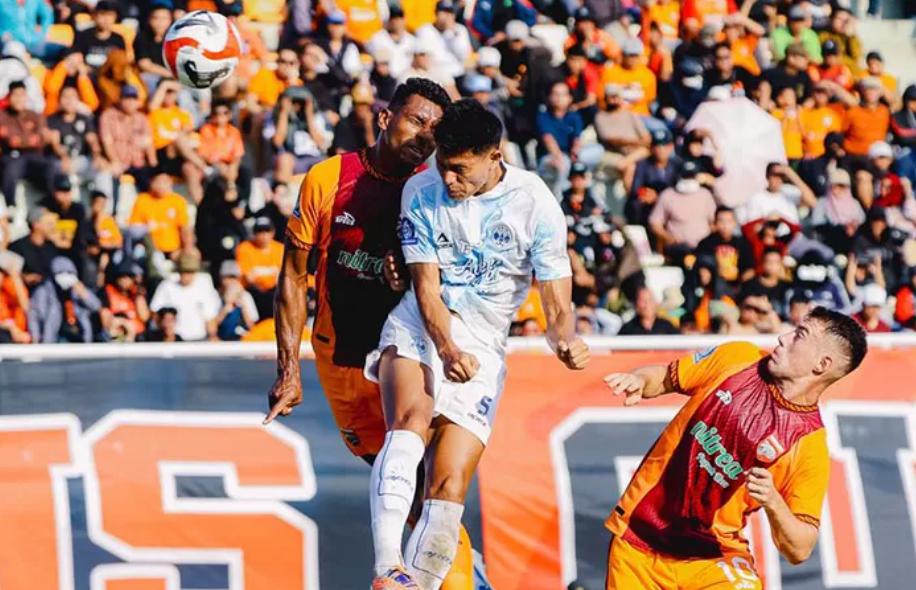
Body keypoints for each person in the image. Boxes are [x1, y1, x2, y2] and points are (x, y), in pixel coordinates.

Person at [361, 99, 588, 589]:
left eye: (461, 170)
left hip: (485, 343)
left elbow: (556, 301)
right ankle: (387, 570)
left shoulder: (536, 203)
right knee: (410, 421)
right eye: (444, 166)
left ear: (495, 156)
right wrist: (445, 347)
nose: (449, 181)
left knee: (448, 484)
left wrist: (565, 341)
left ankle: (416, 586)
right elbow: (424, 286)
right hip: (425, 326)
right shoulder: (421, 190)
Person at [264, 80, 482, 590]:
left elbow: (468, 272)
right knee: (404, 494)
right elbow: (293, 277)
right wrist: (288, 371)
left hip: (412, 355)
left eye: (435, 129)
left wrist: (418, 274)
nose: (424, 136)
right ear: (385, 119)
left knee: (434, 488)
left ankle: (458, 580)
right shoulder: (327, 179)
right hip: (342, 361)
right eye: (416, 121)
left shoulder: (438, 188)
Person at [603, 309, 869, 589]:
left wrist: (773, 502)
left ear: (821, 364)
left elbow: (800, 549)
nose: (782, 338)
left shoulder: (809, 445)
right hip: (638, 540)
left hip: (712, 558)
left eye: (799, 336)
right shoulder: (738, 358)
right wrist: (641, 381)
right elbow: (664, 377)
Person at [147, 80, 208, 205]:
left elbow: (189, 129)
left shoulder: (181, 113)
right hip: (163, 154)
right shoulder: (155, 112)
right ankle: (206, 168)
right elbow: (152, 107)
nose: (169, 95)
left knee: (190, 170)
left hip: (181, 156)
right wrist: (165, 85)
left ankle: (202, 207)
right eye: (166, 92)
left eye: (172, 92)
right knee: (179, 139)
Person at [46, 85, 110, 197]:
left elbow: (92, 140)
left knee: (103, 171)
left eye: (72, 97)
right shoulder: (53, 120)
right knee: (61, 169)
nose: (69, 100)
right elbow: (55, 144)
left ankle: (105, 211)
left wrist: (97, 156)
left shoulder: (85, 119)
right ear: (60, 99)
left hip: (81, 160)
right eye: (65, 97)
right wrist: (64, 157)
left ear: (78, 99)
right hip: (60, 161)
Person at [648, 161, 717, 259]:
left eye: (691, 177)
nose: (689, 180)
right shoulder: (668, 195)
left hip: (702, 249)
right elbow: (655, 223)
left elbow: (713, 222)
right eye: (686, 176)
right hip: (677, 249)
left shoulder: (705, 195)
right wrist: (667, 236)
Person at [0, 80, 52, 205]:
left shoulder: (35, 115)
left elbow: (40, 139)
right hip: (11, 156)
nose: (19, 99)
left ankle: (50, 205)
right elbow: (11, 140)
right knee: (10, 170)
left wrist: (21, 140)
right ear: (9, 97)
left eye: (22, 95)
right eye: (15, 95)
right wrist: (27, 140)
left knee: (52, 167)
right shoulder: (3, 115)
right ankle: (10, 207)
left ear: (27, 97)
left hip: (35, 156)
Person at [99, 84, 156, 195]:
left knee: (150, 183)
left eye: (133, 99)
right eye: (126, 98)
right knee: (112, 178)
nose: (130, 102)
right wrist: (114, 161)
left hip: (138, 163)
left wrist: (153, 164)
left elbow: (149, 143)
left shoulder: (142, 119)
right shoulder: (108, 116)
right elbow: (107, 142)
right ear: (120, 100)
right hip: (118, 161)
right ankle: (112, 210)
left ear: (138, 102)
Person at [29, 255, 101, 343]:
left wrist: (84, 294)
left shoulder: (77, 290)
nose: (66, 276)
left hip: (79, 336)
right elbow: (34, 316)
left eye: (69, 273)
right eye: (62, 273)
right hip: (54, 337)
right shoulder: (44, 291)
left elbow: (96, 306)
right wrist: (35, 338)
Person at [149, 254, 220, 341]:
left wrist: (212, 336)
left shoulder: (204, 287)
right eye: (184, 271)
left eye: (190, 272)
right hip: (174, 340)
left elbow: (210, 317)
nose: (186, 276)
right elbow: (155, 313)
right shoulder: (167, 286)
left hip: (199, 339)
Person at [128, 171, 192, 259]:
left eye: (165, 182)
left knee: (190, 259)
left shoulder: (177, 201)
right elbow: (134, 228)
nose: (161, 185)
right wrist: (147, 228)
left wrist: (187, 248)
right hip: (149, 248)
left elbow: (185, 227)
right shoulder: (143, 199)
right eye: (158, 181)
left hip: (174, 249)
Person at [696, 206, 755, 292]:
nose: (725, 226)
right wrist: (704, 271)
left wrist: (741, 283)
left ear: (735, 223)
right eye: (721, 221)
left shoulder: (743, 244)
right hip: (713, 288)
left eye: (729, 221)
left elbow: (750, 269)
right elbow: (700, 263)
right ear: (715, 223)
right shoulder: (706, 243)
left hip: (737, 288)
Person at [236, 216, 283, 319]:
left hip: (274, 290)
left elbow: (281, 275)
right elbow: (248, 277)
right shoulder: (245, 248)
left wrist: (258, 271)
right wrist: (271, 271)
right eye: (259, 231)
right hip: (253, 290)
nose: (263, 235)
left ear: (273, 232)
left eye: (267, 231)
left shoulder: (280, 248)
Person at [416, 1, 473, 81]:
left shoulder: (460, 30)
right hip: (434, 75)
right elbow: (423, 57)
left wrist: (455, 34)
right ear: (436, 13)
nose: (448, 16)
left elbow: (464, 55)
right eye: (444, 12)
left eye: (450, 12)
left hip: (457, 74)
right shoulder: (424, 30)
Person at [601, 37, 657, 116]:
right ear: (623, 55)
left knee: (660, 128)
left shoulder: (648, 75)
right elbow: (601, 99)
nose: (633, 59)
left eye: (636, 56)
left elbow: (650, 100)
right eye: (630, 55)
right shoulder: (609, 73)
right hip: (615, 116)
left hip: (640, 116)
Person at [71, 1, 126, 71]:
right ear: (94, 16)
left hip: (109, 76)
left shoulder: (119, 39)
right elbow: (75, 57)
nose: (106, 19)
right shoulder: (83, 36)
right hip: (87, 76)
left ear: (115, 17)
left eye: (110, 15)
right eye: (102, 14)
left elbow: (121, 62)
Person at [215, 259, 260, 341]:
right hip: (221, 341)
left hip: (242, 340)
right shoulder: (215, 295)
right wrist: (225, 310)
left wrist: (243, 307)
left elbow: (252, 327)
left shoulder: (245, 296)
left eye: (233, 278)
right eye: (227, 277)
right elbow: (212, 326)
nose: (230, 281)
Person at [366, 6, 415, 80]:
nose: (396, 22)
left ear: (404, 20)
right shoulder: (378, 38)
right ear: (389, 20)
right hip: (384, 79)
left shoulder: (411, 40)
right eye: (394, 19)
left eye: (399, 18)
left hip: (406, 78)